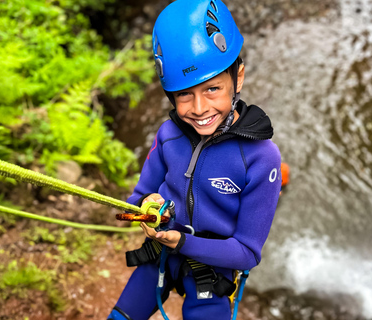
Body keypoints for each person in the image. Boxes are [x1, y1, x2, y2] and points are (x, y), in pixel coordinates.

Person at [108, 0, 281, 319]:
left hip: (213, 272)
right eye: (184, 94)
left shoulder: (261, 158)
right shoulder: (168, 135)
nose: (199, 108)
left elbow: (246, 252)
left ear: (238, 78)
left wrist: (182, 241)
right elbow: (138, 197)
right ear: (170, 94)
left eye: (213, 88)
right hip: (160, 256)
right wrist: (149, 208)